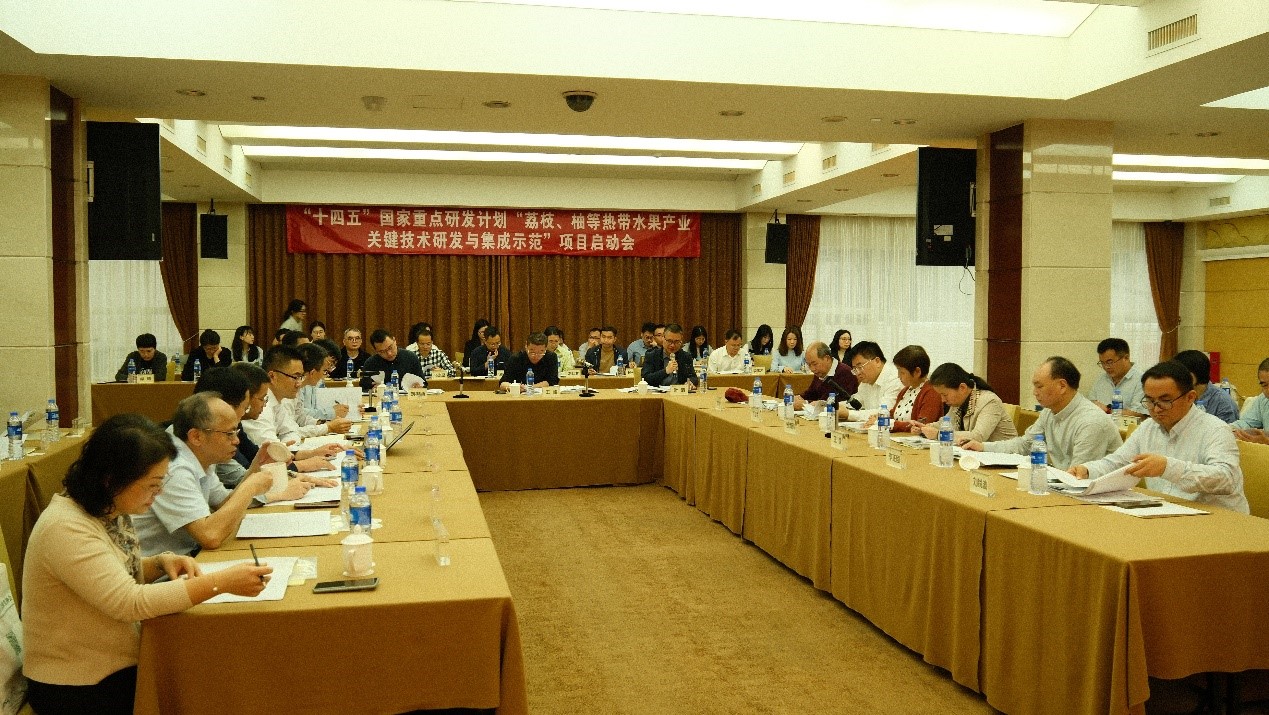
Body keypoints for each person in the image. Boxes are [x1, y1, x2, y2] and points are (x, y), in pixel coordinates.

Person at [21, 414, 270, 715]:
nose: (159, 492)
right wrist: (220, 583)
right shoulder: (65, 527)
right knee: (206, 682)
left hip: (112, 665)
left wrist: (159, 563)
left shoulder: (107, 507)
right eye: (152, 485)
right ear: (112, 479)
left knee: (214, 665)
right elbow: (129, 602)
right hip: (77, 684)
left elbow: (111, 571)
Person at [132, 393, 309, 556]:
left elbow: (224, 503)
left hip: (189, 557)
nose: (236, 441)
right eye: (229, 434)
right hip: (161, 571)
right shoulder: (175, 468)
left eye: (236, 432)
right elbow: (210, 536)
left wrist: (256, 468)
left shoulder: (199, 455)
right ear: (196, 437)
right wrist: (250, 487)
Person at [1070, 360, 1248, 514]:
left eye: (1165, 400)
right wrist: (1087, 470)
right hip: (1167, 512)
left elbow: (1226, 478)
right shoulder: (1148, 427)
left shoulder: (1215, 430)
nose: (1156, 409)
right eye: (1150, 400)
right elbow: (1118, 462)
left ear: (1190, 397)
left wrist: (1168, 467)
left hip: (1215, 518)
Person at [962, 357, 1122, 468]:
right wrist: (983, 447)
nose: (1034, 392)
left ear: (1062, 386)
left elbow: (1079, 476)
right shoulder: (1049, 412)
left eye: (1039, 386)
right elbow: (1025, 445)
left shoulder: (1091, 422)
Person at [239, 347, 344, 463]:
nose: (299, 383)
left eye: (301, 377)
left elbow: (290, 432)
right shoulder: (260, 407)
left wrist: (309, 453)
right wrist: (301, 458)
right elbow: (272, 454)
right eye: (295, 377)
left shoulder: (277, 400)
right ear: (272, 376)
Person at [921, 363, 1017, 443]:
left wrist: (939, 434)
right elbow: (945, 423)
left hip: (1003, 457)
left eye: (945, 395)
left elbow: (978, 437)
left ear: (962, 388)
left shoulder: (990, 401)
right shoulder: (958, 402)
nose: (943, 400)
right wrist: (924, 428)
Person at [873, 345, 942, 433]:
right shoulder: (905, 391)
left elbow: (921, 425)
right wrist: (879, 418)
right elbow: (893, 415)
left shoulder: (931, 392)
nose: (898, 376)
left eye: (902, 372)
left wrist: (891, 424)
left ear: (917, 372)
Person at [294, 343, 354, 433]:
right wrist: (328, 427)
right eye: (324, 371)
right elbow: (289, 431)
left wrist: (324, 423)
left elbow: (300, 417)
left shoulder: (299, 387)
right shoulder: (290, 390)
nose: (325, 375)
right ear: (312, 373)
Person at [843, 341, 905, 422]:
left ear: (877, 361)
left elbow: (884, 413)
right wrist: (837, 407)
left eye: (860, 367)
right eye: (855, 369)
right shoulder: (866, 380)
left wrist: (848, 414)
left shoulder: (895, 378)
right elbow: (855, 403)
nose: (858, 373)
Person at [1173, 349, 1240, 423]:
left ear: (1197, 373)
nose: (1177, 379)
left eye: (1181, 374)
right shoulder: (1179, 396)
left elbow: (1227, 429)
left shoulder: (1222, 402)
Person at [1088, 338, 1146, 418]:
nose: (1106, 367)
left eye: (1110, 362)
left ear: (1126, 358)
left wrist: (1108, 410)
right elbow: (1091, 403)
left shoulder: (1142, 380)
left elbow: (1140, 413)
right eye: (1102, 363)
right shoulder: (1101, 379)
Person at [793, 341, 857, 411]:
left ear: (827, 359)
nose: (812, 369)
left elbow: (832, 402)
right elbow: (811, 393)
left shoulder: (845, 373)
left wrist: (805, 403)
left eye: (814, 364)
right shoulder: (820, 372)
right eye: (809, 365)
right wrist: (799, 398)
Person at [360, 329, 425, 390]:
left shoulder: (410, 357)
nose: (389, 354)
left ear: (394, 340)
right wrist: (372, 389)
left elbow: (424, 384)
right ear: (376, 351)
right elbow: (364, 390)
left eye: (390, 347)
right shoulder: (371, 363)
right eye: (382, 351)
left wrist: (419, 387)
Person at [643, 323, 699, 388]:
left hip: (679, 392)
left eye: (676, 342)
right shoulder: (652, 355)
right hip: (658, 392)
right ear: (663, 338)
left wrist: (690, 382)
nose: (672, 345)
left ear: (681, 341)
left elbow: (693, 377)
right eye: (669, 341)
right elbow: (646, 378)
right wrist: (665, 371)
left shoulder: (685, 356)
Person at [1233, 357, 1269, 442]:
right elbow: (1246, 423)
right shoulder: (1263, 400)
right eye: (1264, 385)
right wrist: (1224, 429)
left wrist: (1267, 441)